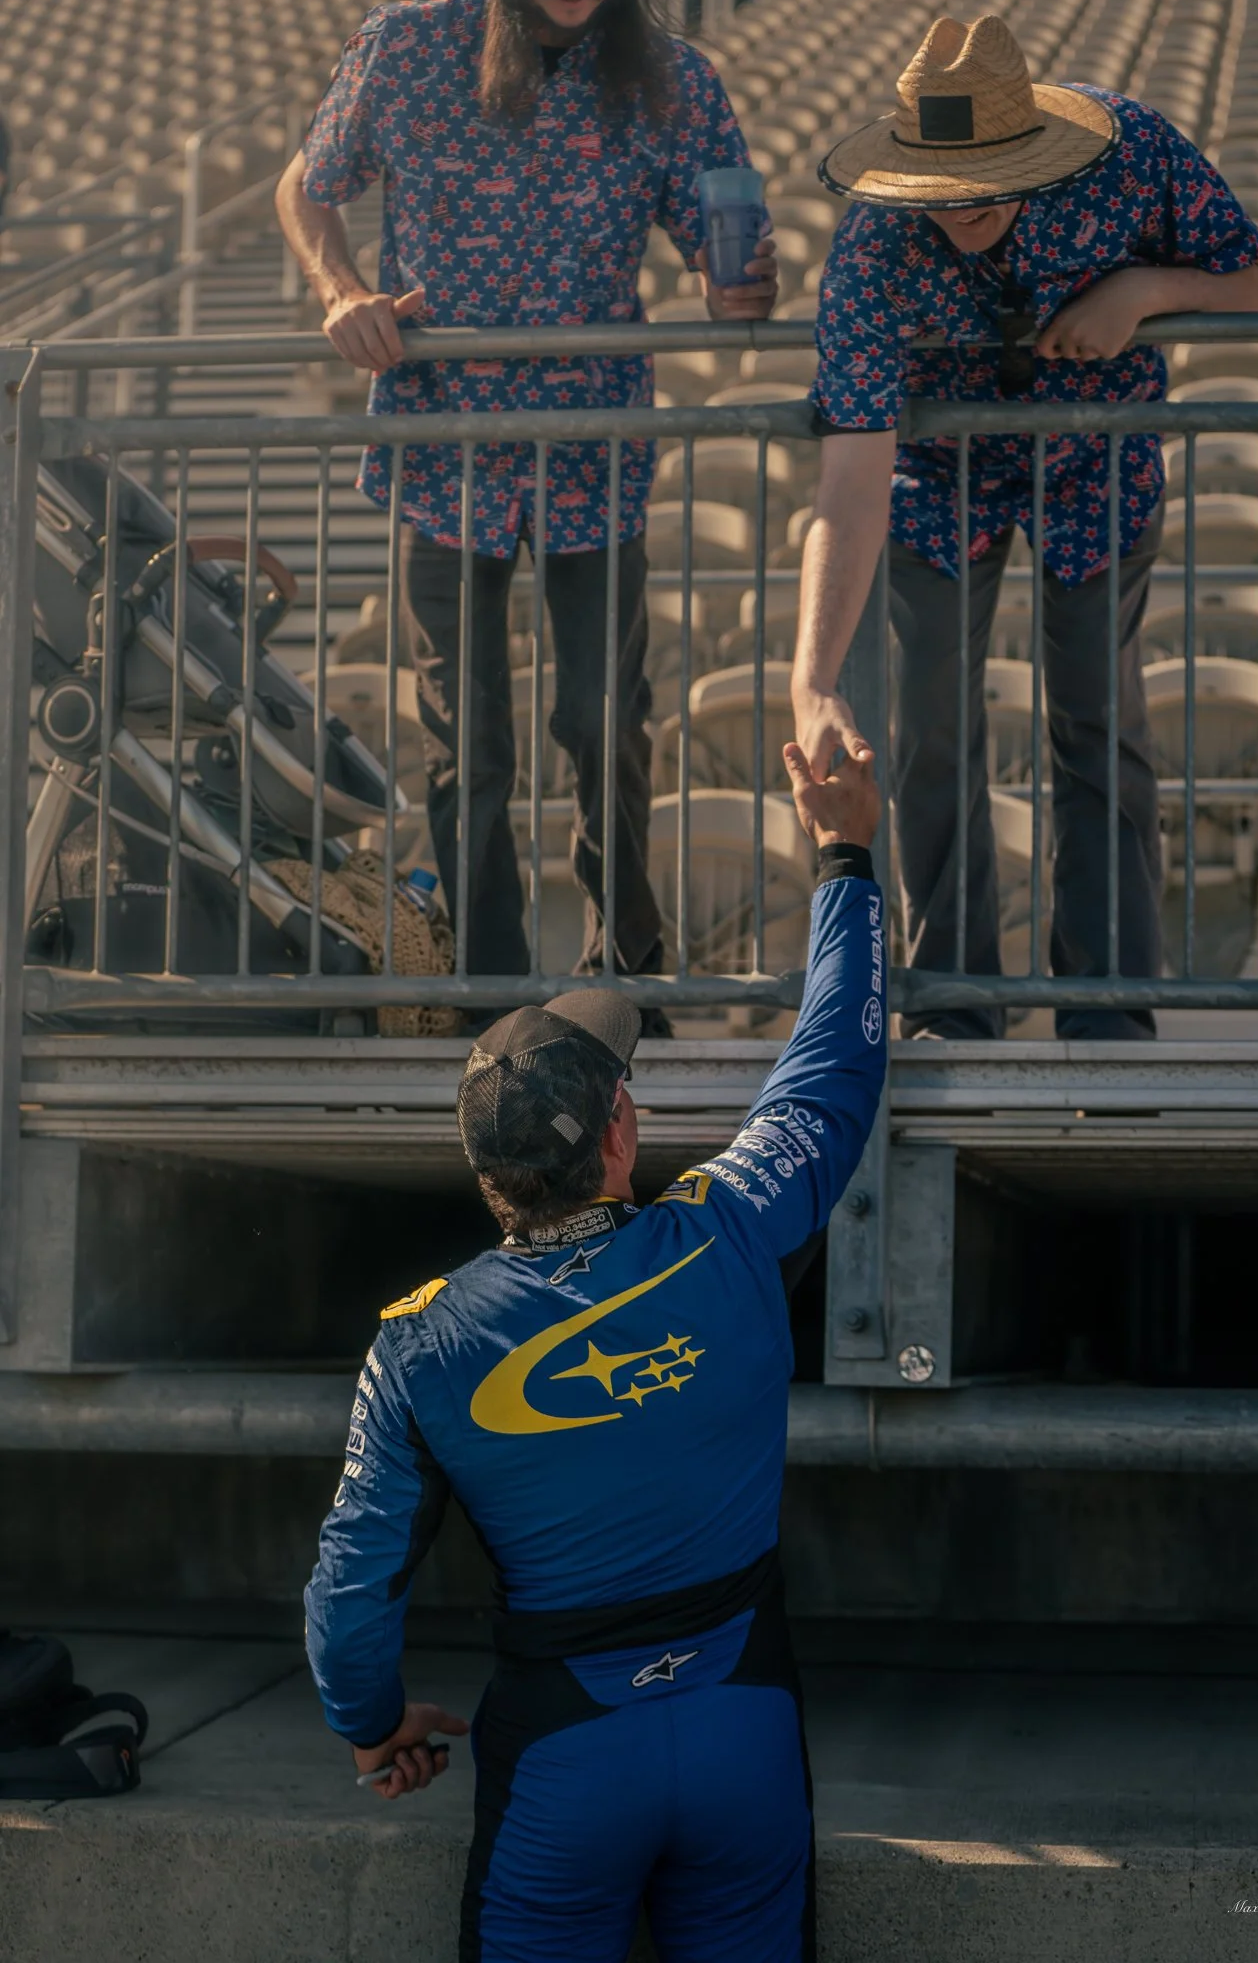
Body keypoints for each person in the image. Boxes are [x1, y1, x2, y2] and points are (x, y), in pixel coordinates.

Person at [303, 741, 885, 1963]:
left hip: (562, 1761)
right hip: (745, 1728)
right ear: (623, 1128)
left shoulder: (417, 1344)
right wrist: (846, 860)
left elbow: (349, 1601)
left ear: (483, 1174)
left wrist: (370, 1726)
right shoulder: (725, 1230)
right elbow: (830, 1073)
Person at [276, 0, 778, 1020]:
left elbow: (724, 235)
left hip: (591, 446)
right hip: (443, 443)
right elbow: (309, 184)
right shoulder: (407, 47)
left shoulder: (668, 76)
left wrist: (736, 285)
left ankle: (623, 969)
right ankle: (489, 985)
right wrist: (338, 290)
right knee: (470, 738)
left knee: (604, 721)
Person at [791, 13, 1258, 1041]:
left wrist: (1144, 290)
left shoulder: (1133, 149)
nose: (962, 204)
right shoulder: (875, 244)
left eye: (986, 178)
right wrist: (812, 678)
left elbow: (1257, 282)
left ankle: (1107, 1008)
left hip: (1093, 466)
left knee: (1097, 726)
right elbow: (849, 473)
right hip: (936, 481)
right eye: (943, 181)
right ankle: (954, 1002)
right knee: (927, 732)